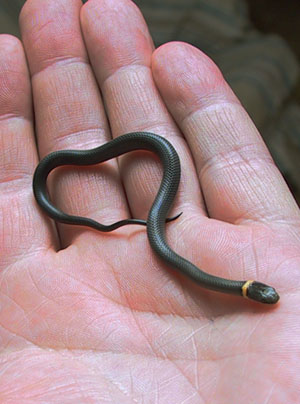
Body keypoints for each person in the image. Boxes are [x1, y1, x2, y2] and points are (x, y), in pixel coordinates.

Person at [0, 0, 299, 402]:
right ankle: (60, 173)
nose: (270, 297)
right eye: (266, 293)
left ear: (251, 289)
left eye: (264, 294)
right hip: (148, 166)